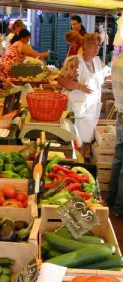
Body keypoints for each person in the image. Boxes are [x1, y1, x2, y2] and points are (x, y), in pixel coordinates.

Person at [58, 33, 110, 158]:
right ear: (85, 46)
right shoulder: (74, 61)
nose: (96, 48)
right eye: (93, 44)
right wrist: (79, 86)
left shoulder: (97, 61)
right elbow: (61, 80)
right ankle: (74, 162)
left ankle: (85, 163)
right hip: (76, 109)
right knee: (75, 138)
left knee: (88, 138)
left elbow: (108, 74)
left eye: (98, 45)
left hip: (92, 108)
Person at [106, 52, 123, 216]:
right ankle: (120, 208)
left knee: (118, 160)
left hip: (121, 114)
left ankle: (111, 199)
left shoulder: (119, 60)